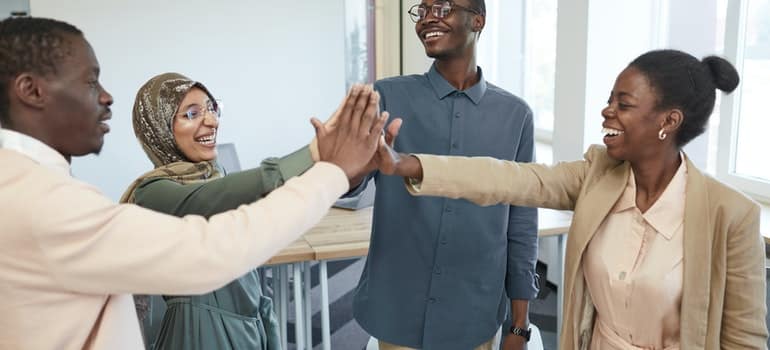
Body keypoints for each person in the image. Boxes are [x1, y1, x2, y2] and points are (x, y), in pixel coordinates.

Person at [0, 16, 387, 350]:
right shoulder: (55, 202)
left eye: (211, 109)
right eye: (90, 82)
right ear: (31, 91)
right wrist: (327, 163)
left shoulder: (29, 185)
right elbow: (214, 251)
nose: (106, 97)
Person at [378, 49, 768, 349]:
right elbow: (507, 178)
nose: (606, 111)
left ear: (669, 121)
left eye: (624, 104)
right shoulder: (597, 174)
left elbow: (743, 340)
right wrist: (406, 164)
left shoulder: (731, 216)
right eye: (610, 99)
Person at [349, 1, 539, 349]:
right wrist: (352, 169)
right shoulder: (387, 96)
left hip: (474, 313)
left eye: (444, 7)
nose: (428, 18)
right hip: (397, 309)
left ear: (478, 20)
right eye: (422, 11)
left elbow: (522, 224)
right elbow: (351, 183)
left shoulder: (516, 116)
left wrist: (519, 324)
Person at [120, 72, 332, 349]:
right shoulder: (152, 191)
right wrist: (313, 154)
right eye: (192, 113)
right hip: (199, 335)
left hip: (248, 327)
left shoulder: (214, 174)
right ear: (160, 129)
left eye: (211, 108)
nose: (212, 121)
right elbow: (208, 201)